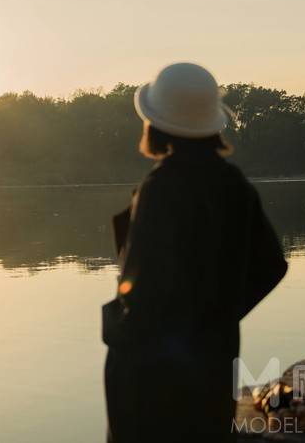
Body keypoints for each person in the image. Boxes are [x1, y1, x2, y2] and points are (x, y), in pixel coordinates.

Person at [103, 63, 288, 442]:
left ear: (155, 124)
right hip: (212, 362)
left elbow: (142, 290)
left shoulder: (160, 187)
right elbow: (272, 265)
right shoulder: (233, 183)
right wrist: (218, 316)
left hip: (148, 374)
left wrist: (120, 328)